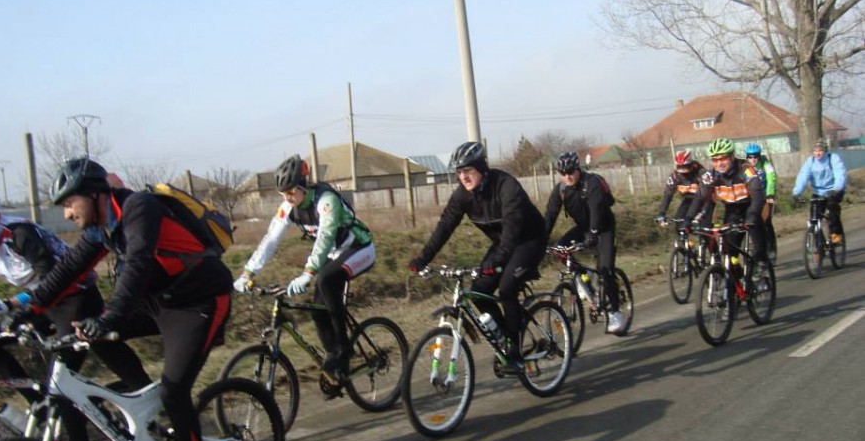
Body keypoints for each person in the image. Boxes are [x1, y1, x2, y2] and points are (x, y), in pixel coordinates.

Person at [28, 158, 233, 441]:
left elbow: (137, 263)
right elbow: (67, 269)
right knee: (89, 340)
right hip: (159, 302)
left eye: (70, 202)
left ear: (94, 195)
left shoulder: (139, 207)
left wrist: (108, 316)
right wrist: (24, 307)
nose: (67, 212)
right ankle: (145, 419)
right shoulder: (101, 228)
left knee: (175, 390)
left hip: (200, 301)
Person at [0, 183, 151, 441]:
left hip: (72, 300)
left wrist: (9, 304)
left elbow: (52, 276)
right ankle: (38, 404)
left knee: (62, 384)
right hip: (41, 307)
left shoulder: (19, 234)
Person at [233, 154, 375, 388]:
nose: (287, 198)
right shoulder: (288, 207)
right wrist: (249, 272)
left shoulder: (326, 200)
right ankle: (333, 361)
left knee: (326, 280)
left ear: (302, 187)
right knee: (318, 309)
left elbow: (325, 237)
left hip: (360, 248)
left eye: (290, 192)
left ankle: (344, 349)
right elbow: (271, 240)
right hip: (333, 256)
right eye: (283, 194)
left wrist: (308, 272)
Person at [409, 141, 547, 374]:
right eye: (459, 172)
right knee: (479, 293)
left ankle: (515, 351)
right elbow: (445, 226)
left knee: (506, 289)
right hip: (502, 244)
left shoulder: (506, 187)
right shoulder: (463, 195)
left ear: (482, 168)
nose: (463, 177)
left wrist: (496, 263)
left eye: (468, 171)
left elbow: (512, 232)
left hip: (529, 241)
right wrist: (423, 258)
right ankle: (505, 338)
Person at [544, 151, 626, 334]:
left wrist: (594, 232)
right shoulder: (561, 190)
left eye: (571, 172)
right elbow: (549, 215)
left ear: (578, 169)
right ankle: (585, 277)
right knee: (560, 250)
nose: (568, 176)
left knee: (605, 270)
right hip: (582, 228)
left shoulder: (591, 183)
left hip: (604, 228)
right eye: (563, 174)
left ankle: (615, 313)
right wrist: (541, 240)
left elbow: (596, 208)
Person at [686, 138, 766, 283]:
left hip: (751, 207)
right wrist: (688, 219)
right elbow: (699, 197)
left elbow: (758, 195)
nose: (719, 164)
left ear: (731, 157)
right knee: (729, 252)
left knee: (758, 241)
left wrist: (753, 216)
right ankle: (739, 282)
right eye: (715, 160)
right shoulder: (711, 175)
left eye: (722, 159)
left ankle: (760, 265)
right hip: (733, 210)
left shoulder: (746, 170)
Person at [792, 138, 847, 245]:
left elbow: (840, 174)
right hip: (818, 192)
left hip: (834, 190)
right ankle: (819, 244)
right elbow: (803, 176)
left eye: (820, 150)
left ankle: (835, 234)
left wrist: (836, 189)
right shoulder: (810, 161)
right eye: (815, 151)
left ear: (825, 151)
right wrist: (797, 192)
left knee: (832, 209)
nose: (817, 153)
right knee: (814, 217)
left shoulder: (833, 159)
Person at [655, 149, 704, 230]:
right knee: (679, 224)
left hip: (703, 201)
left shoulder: (701, 173)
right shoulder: (675, 176)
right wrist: (662, 213)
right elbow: (668, 194)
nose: (683, 172)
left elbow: (706, 194)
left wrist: (690, 217)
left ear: (691, 165)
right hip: (688, 200)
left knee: (702, 227)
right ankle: (685, 240)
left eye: (685, 168)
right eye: (680, 168)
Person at [744, 144, 778, 259]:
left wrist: (770, 194)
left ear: (759, 156)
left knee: (766, 222)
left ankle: (771, 248)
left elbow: (771, 178)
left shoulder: (765, 165)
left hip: (766, 195)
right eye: (750, 157)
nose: (753, 160)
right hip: (752, 197)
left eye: (755, 157)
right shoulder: (745, 167)